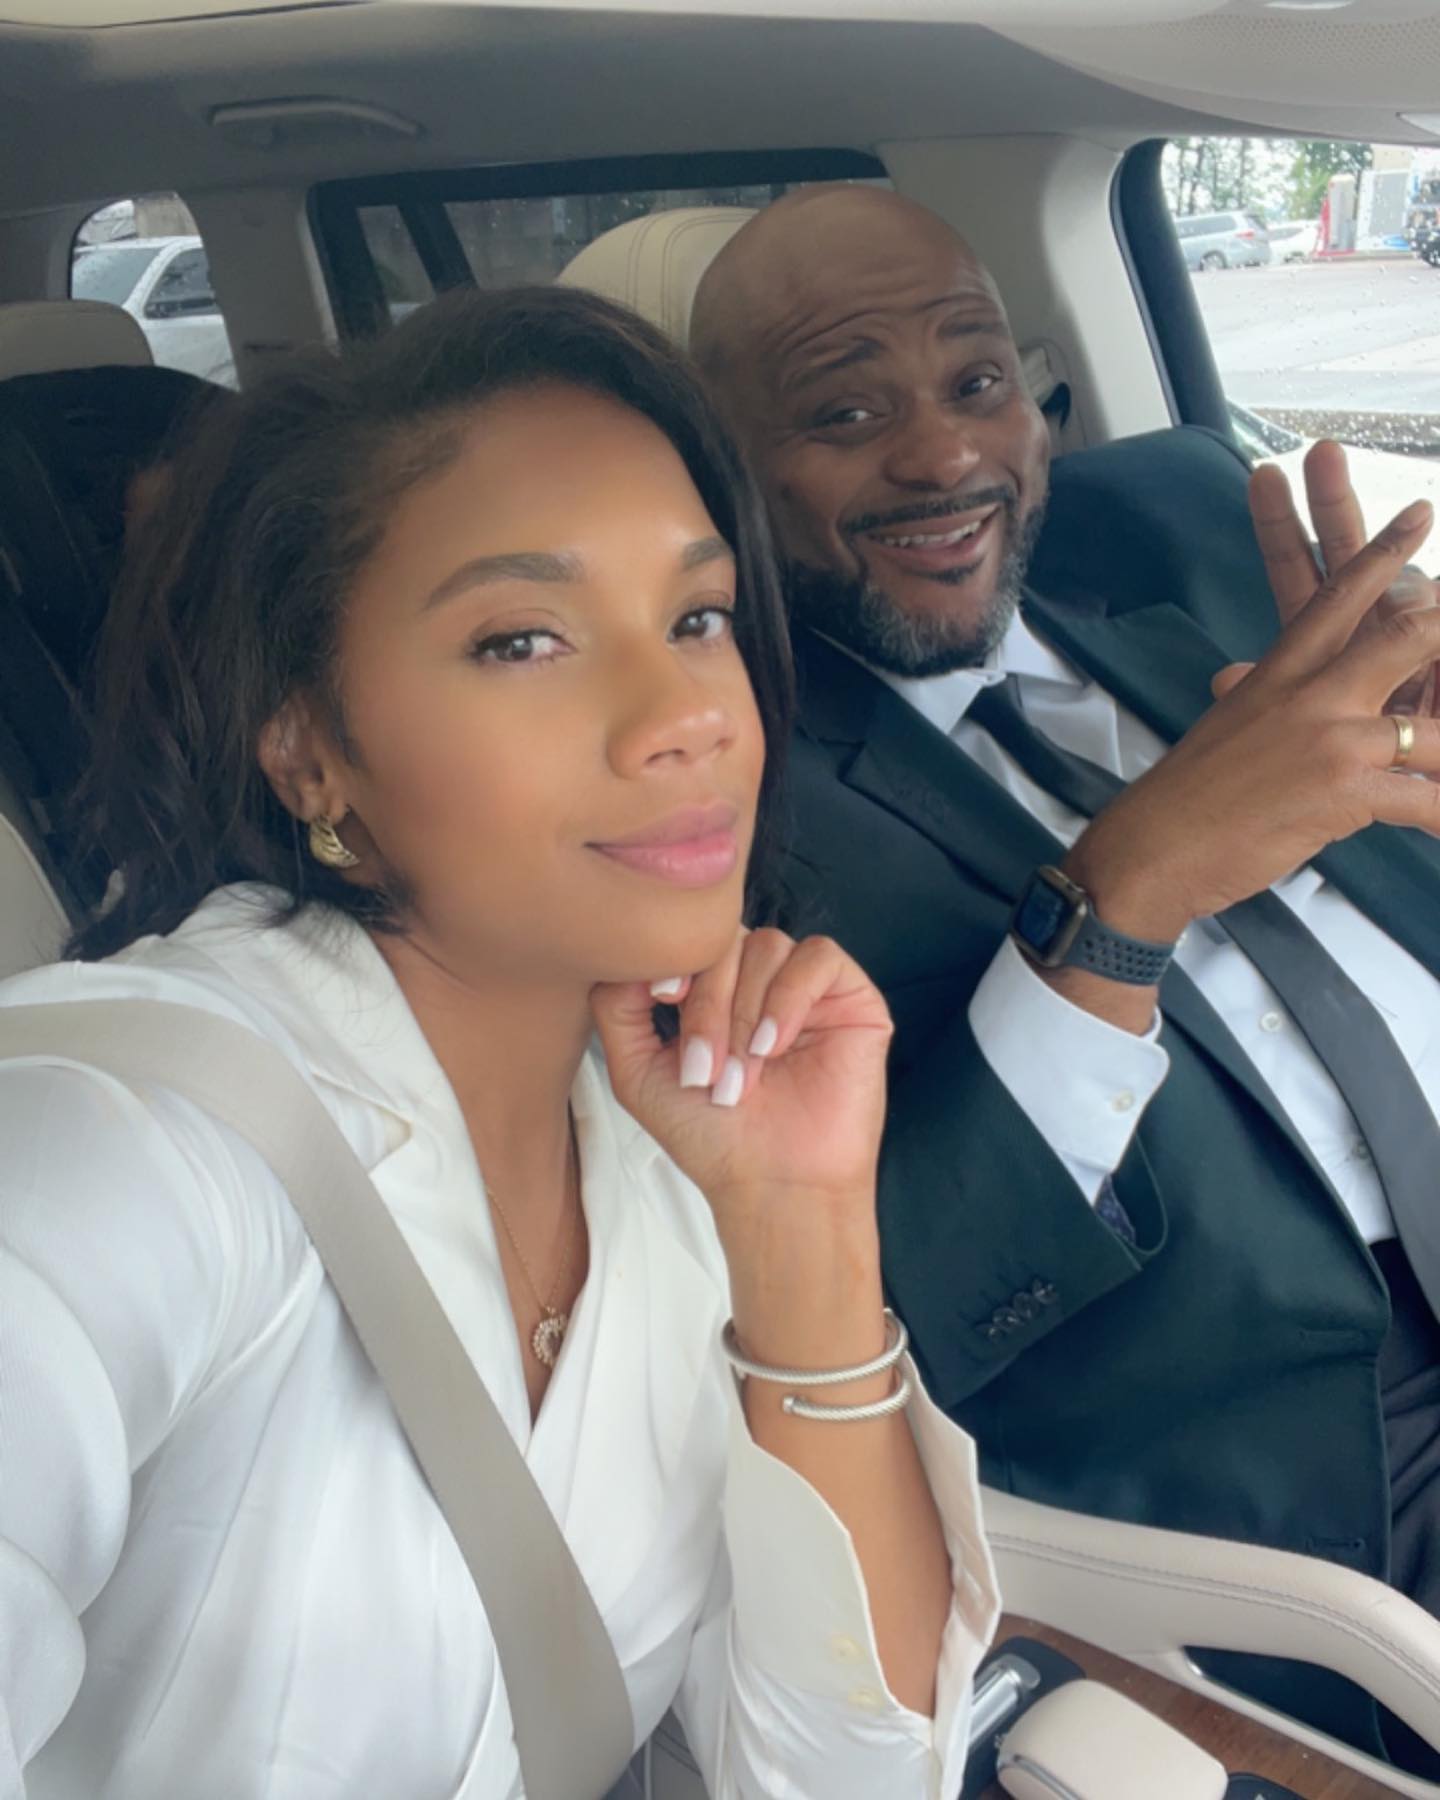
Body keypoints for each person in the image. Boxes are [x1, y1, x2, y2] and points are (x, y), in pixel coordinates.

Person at [0, 286, 998, 1799]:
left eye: (698, 617)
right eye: (522, 638)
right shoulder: (113, 1146)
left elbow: (845, 1768)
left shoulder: (670, 1156)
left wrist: (802, 1227)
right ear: (307, 745)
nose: (684, 715)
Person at [690, 184, 1440, 1755]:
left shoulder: (1192, 620)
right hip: (1323, 1476)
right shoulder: (730, 813)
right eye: (845, 409)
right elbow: (908, 1306)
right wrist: (1136, 884)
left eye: (974, 384)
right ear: (730, 476)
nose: (944, 455)